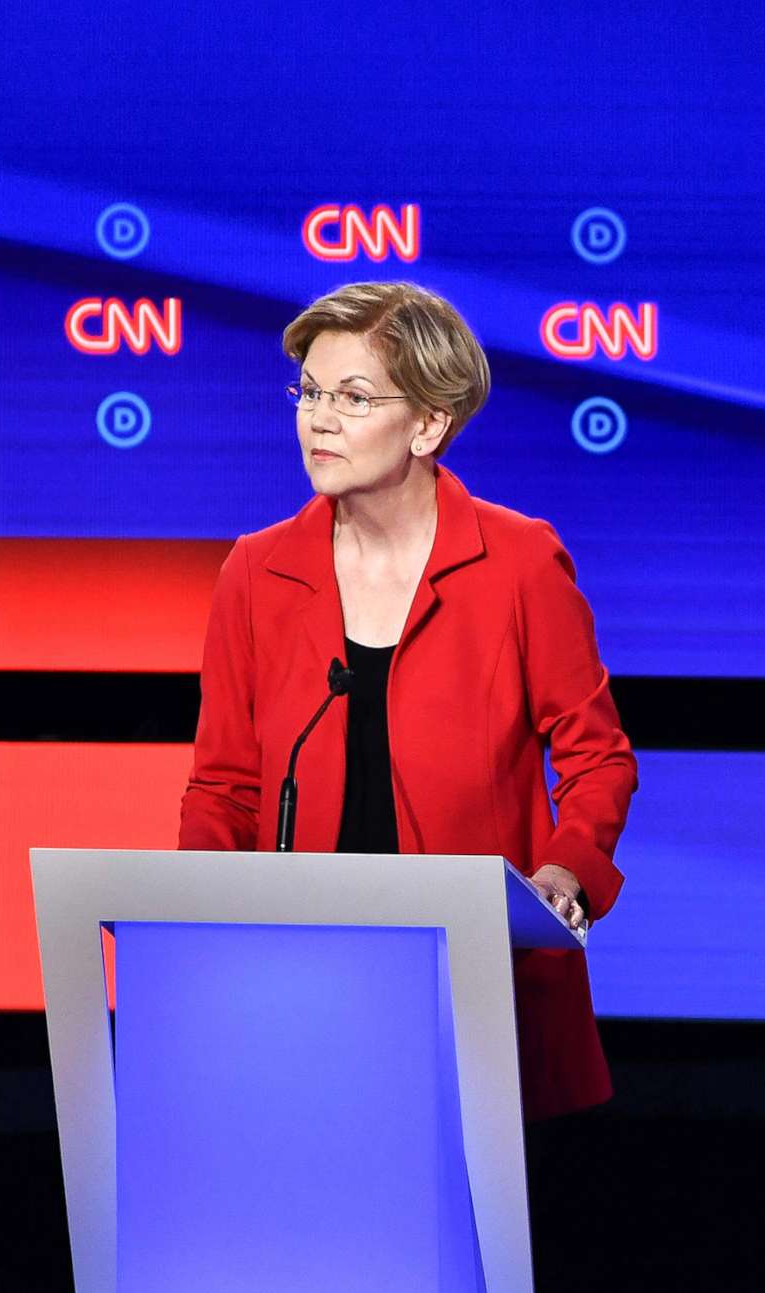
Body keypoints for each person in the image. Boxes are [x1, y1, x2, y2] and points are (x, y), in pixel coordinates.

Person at [180, 281, 637, 1117]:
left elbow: (596, 755)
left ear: (429, 424)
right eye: (310, 393)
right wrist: (200, 928)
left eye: (353, 397)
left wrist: (563, 875)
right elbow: (223, 786)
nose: (319, 419)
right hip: (304, 981)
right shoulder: (257, 570)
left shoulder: (519, 562)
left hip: (477, 972)